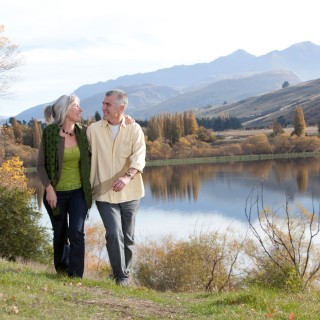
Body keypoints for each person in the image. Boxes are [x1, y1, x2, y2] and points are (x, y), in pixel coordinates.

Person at [86, 89, 146, 286]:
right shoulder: (93, 130)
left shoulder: (134, 128)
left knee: (128, 237)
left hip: (131, 192)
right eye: (103, 103)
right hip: (104, 193)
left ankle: (122, 273)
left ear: (121, 108)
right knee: (113, 233)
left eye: (108, 104)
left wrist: (128, 177)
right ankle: (122, 277)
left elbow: (139, 156)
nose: (103, 107)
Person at [37, 94, 92, 278]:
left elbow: (105, 131)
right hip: (56, 194)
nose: (80, 110)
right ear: (66, 110)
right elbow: (40, 165)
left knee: (76, 232)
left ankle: (76, 276)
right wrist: (49, 189)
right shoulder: (51, 133)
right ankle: (61, 271)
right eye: (77, 106)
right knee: (60, 234)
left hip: (78, 192)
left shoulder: (83, 132)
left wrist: (127, 120)